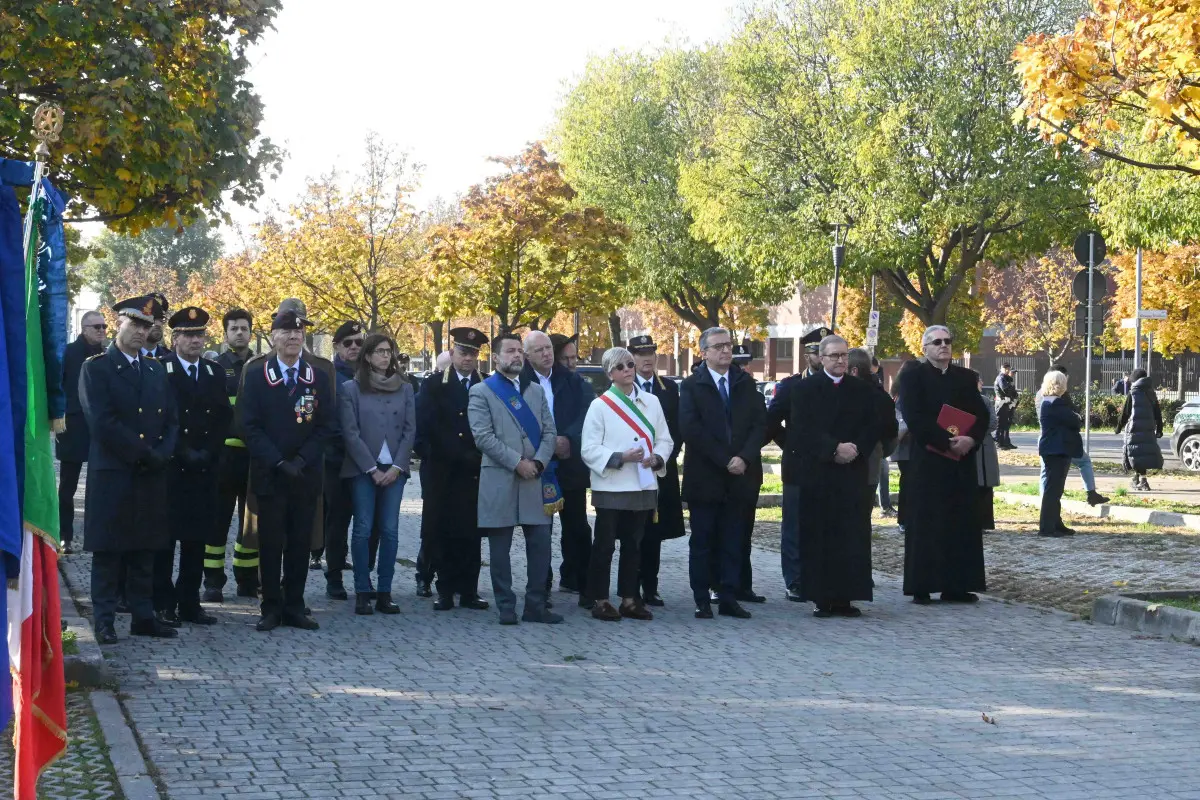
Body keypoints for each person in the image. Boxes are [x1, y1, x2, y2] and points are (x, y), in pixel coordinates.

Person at [79, 294, 179, 644]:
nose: (141, 331)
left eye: (147, 326)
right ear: (117, 321)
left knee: (144, 549)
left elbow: (171, 419)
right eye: (135, 323)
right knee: (109, 552)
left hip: (150, 473)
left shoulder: (154, 369)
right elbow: (102, 422)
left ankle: (143, 616)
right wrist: (144, 453)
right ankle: (104, 620)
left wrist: (162, 453)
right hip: (115, 472)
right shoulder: (96, 368)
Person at [239, 310, 336, 632]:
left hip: (305, 476)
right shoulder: (256, 376)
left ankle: (294, 605)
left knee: (299, 543)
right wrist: (279, 462)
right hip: (270, 475)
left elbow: (325, 426)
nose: (294, 337)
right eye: (287, 332)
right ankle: (270, 607)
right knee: (270, 544)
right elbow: (249, 426)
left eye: (299, 333)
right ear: (274, 337)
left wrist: (301, 461)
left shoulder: (318, 377)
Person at [468, 332, 561, 625]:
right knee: (499, 549)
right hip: (501, 478)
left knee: (541, 544)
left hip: (535, 477)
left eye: (520, 351)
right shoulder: (482, 392)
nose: (517, 356)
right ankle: (506, 606)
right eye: (510, 351)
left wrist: (539, 461)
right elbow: (483, 437)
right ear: (495, 358)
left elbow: (549, 432)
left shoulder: (534, 390)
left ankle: (535, 605)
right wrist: (516, 462)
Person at [786, 335, 880, 617]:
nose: (840, 360)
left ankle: (847, 597)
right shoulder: (804, 390)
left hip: (852, 472)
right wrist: (832, 449)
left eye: (844, 355)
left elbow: (872, 425)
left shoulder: (861, 390)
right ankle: (821, 597)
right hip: (819, 472)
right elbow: (801, 429)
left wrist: (855, 448)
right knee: (820, 536)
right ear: (822, 359)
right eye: (834, 356)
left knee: (851, 536)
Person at [897, 325, 989, 604]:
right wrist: (945, 442)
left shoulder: (965, 377)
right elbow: (914, 417)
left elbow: (981, 415)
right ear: (924, 348)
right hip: (927, 461)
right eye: (937, 342)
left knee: (960, 523)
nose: (943, 346)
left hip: (960, 463)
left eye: (948, 341)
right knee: (926, 523)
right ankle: (922, 586)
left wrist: (970, 440)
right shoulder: (913, 376)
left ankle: (957, 585)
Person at [580, 346, 672, 621]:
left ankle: (630, 599)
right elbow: (588, 448)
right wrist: (620, 457)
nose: (628, 369)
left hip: (643, 484)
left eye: (630, 364)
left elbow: (665, 439)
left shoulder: (652, 402)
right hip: (611, 486)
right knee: (605, 545)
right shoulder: (600, 406)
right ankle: (600, 599)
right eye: (620, 367)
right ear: (610, 373)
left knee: (634, 544)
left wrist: (657, 458)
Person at [679, 326, 765, 620]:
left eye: (728, 345)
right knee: (703, 540)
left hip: (739, 475)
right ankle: (702, 598)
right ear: (704, 353)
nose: (725, 350)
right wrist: (725, 459)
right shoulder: (692, 385)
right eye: (718, 347)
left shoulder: (744, 382)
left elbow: (759, 425)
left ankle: (729, 595)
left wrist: (743, 458)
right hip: (706, 475)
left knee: (733, 539)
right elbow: (691, 428)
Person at [154, 307, 231, 627]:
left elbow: (224, 417)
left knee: (197, 539)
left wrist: (208, 452)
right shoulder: (161, 369)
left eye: (200, 335)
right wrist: (183, 452)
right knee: (166, 540)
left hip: (204, 468)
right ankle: (162, 602)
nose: (196, 341)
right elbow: (159, 419)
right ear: (175, 338)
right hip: (173, 467)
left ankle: (189, 602)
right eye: (188, 335)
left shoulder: (214, 372)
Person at [339, 333, 416, 615]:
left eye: (389, 351)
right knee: (362, 527)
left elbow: (410, 431)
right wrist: (371, 468)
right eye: (380, 351)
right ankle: (362, 589)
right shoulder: (351, 389)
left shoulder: (405, 388)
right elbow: (350, 432)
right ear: (368, 356)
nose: (386, 356)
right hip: (363, 469)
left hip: (395, 469)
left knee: (390, 529)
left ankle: (385, 591)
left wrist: (396, 467)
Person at [417, 329, 490, 611]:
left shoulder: (486, 385)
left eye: (473, 353)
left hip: (475, 469)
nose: (468, 359)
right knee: (442, 531)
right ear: (452, 353)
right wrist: (438, 456)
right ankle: (445, 589)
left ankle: (469, 590)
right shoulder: (435, 385)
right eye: (463, 352)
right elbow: (425, 427)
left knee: (471, 533)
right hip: (443, 470)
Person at [520, 331, 594, 599]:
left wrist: (568, 439)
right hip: (537, 465)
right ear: (526, 355)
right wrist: (545, 447)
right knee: (540, 530)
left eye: (549, 348)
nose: (547, 354)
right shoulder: (519, 383)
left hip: (569, 464)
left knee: (577, 527)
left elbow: (586, 414)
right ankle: (541, 587)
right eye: (539, 350)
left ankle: (585, 585)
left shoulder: (574, 383)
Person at [766, 325, 829, 600]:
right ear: (808, 356)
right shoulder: (792, 386)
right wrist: (790, 443)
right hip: (800, 465)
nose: (825, 357)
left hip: (833, 464)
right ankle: (795, 579)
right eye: (819, 352)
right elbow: (770, 422)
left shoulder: (840, 384)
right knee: (795, 526)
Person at [204, 308, 259, 602]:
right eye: (234, 328)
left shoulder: (262, 365)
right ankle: (213, 581)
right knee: (218, 520)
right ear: (224, 334)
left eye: (244, 328)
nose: (240, 332)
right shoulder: (214, 367)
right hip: (224, 456)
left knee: (252, 522)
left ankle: (247, 579)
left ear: (251, 332)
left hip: (254, 457)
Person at [627, 335, 684, 607]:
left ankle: (651, 586)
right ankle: (630, 586)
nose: (647, 358)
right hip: (631, 467)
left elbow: (677, 429)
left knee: (655, 530)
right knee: (632, 529)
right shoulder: (623, 388)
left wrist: (662, 456)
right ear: (631, 358)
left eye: (650, 353)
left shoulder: (669, 388)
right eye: (640, 354)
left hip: (660, 469)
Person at [315, 320, 363, 593]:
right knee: (338, 520)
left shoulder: (370, 375)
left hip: (367, 461)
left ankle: (364, 573)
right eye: (348, 343)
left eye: (358, 342)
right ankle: (334, 576)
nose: (354, 347)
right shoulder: (329, 376)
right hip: (337, 459)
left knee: (370, 522)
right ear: (336, 347)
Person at [57, 310, 105, 554]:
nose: (101, 331)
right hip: (74, 425)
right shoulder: (69, 352)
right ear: (84, 328)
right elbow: (58, 384)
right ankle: (64, 534)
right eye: (96, 327)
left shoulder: (107, 354)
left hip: (99, 424)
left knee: (100, 483)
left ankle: (97, 535)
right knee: (68, 485)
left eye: (104, 327)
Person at [1035, 364, 1108, 506]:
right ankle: (1091, 493)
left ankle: (1045, 504)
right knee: (1084, 461)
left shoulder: (1041, 394)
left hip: (1046, 438)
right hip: (1062, 441)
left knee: (1046, 474)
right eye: (1064, 379)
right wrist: (1077, 417)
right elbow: (1072, 416)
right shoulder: (1057, 397)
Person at [412, 348, 453, 597]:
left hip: (463, 468)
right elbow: (419, 431)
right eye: (442, 369)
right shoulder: (429, 389)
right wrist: (431, 454)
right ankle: (425, 575)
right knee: (432, 525)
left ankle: (456, 578)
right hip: (436, 467)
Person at [848, 348, 898, 519]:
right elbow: (892, 435)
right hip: (871, 465)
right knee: (862, 520)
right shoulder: (882, 396)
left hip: (857, 466)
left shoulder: (852, 394)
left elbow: (890, 433)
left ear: (853, 370)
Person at [1038, 371, 1082, 537]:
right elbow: (1075, 420)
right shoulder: (1054, 403)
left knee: (1056, 489)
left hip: (1056, 448)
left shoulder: (1052, 402)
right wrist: (1076, 416)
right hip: (1055, 449)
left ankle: (1055, 522)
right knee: (1052, 489)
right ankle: (1047, 527)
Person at [1117, 368, 1164, 491]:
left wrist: (1118, 427)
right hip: (1148, 428)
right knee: (1141, 453)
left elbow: (1125, 413)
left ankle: (1143, 481)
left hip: (1135, 429)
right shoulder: (1151, 393)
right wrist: (1159, 428)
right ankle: (1136, 479)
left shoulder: (1133, 393)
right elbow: (1157, 412)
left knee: (1136, 453)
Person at [889, 359, 923, 528]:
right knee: (910, 483)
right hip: (908, 446)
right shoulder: (905, 395)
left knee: (908, 483)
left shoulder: (898, 392)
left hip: (905, 447)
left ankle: (905, 519)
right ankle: (905, 519)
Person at [975, 374, 1000, 531]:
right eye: (979, 380)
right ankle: (984, 522)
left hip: (982, 445)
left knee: (983, 483)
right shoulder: (982, 400)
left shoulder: (984, 400)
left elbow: (993, 422)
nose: (982, 383)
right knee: (982, 483)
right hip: (980, 444)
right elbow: (992, 423)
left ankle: (983, 521)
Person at [994, 363, 1018, 449]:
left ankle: (1005, 442)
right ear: (1002, 369)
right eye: (1006, 369)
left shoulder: (1007, 378)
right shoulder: (1001, 378)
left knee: (1005, 424)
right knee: (1000, 423)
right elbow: (1006, 390)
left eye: (1008, 368)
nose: (1007, 370)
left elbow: (1013, 392)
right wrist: (1011, 390)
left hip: (1007, 403)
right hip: (1001, 403)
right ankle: (998, 442)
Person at [141, 294, 172, 361]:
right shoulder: (128, 355)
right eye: (153, 318)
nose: (158, 324)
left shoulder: (170, 358)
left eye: (161, 319)